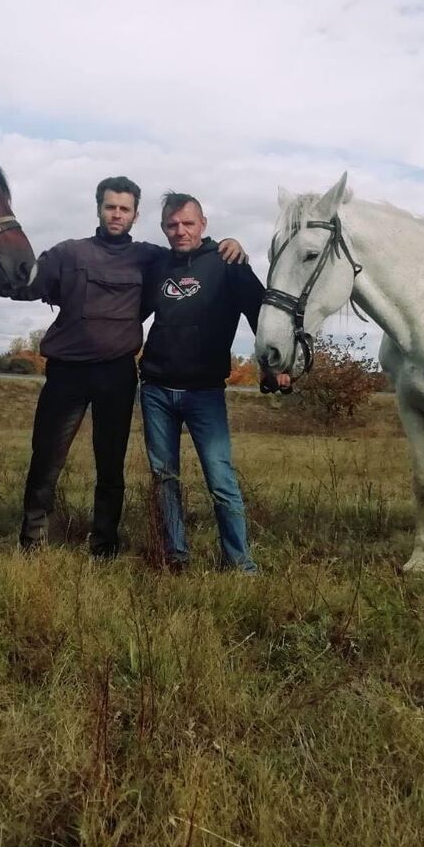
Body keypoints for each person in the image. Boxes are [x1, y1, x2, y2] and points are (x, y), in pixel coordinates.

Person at [12, 177, 245, 556]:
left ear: (135, 215)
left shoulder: (150, 257)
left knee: (111, 465)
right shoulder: (69, 252)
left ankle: (105, 544)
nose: (116, 214)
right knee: (47, 458)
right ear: (99, 209)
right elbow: (26, 284)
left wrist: (228, 244)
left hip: (117, 374)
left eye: (124, 209)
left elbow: (191, 251)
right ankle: (32, 540)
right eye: (110, 207)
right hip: (66, 373)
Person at [138, 191, 287, 573]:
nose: (180, 231)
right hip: (155, 389)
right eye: (172, 225)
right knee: (164, 478)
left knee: (221, 480)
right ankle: (175, 557)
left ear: (203, 224)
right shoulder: (158, 266)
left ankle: (239, 563)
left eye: (188, 223)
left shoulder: (228, 262)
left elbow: (261, 317)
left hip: (204, 391)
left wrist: (273, 366)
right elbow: (129, 312)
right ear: (163, 228)